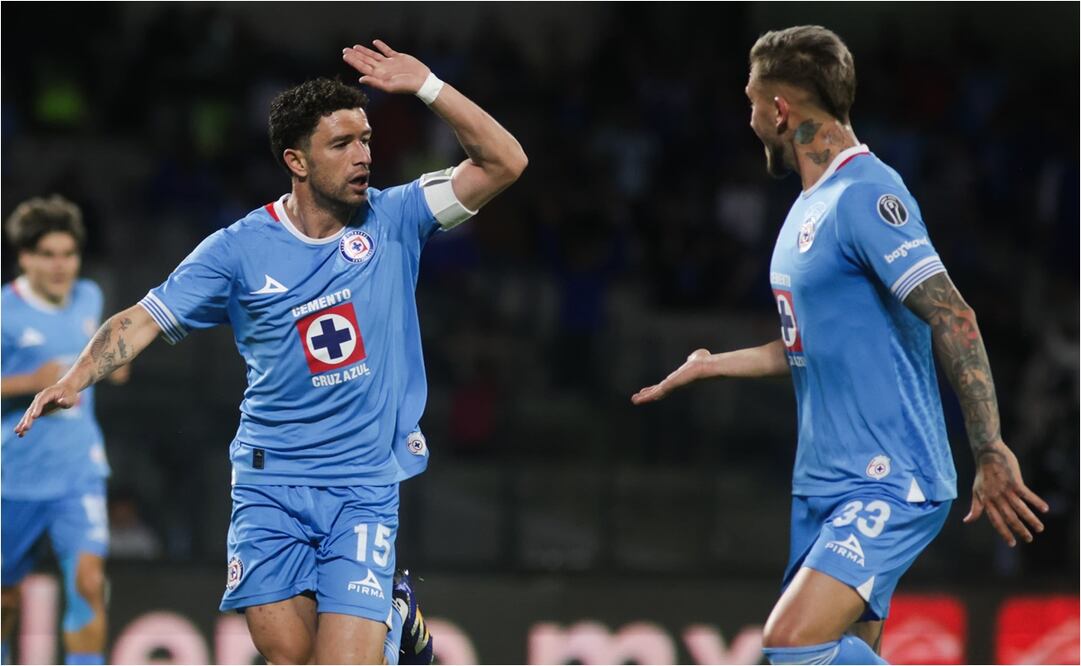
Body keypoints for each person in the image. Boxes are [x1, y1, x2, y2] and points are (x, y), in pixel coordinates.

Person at [17, 39, 527, 665]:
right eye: (342, 145)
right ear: (297, 160)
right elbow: (144, 319)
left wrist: (429, 88)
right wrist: (77, 376)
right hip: (269, 484)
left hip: (362, 487)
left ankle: (392, 622)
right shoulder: (237, 250)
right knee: (288, 659)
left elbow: (506, 162)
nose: (363, 155)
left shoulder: (398, 218)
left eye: (365, 139)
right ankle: (393, 623)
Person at [631, 25, 1048, 665]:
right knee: (824, 655)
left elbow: (953, 314)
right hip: (824, 483)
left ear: (779, 111)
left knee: (789, 643)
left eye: (750, 103)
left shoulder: (866, 195)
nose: (748, 120)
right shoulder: (808, 205)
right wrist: (714, 366)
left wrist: (988, 447)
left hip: (888, 478)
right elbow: (811, 345)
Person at [2, 195, 130, 666]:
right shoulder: (4, 313)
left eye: (69, 254)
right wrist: (31, 382)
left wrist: (110, 366)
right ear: (25, 257)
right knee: (5, 601)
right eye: (49, 255)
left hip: (79, 473)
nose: (62, 266)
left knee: (89, 583)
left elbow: (104, 355)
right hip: (13, 477)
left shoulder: (90, 296)